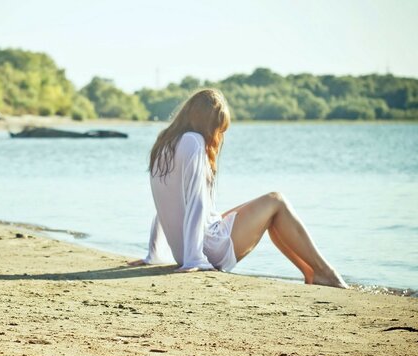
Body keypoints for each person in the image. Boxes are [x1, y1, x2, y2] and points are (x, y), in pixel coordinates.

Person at [129, 89, 348, 288]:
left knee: (270, 212)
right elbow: (196, 203)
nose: (219, 137)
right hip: (207, 249)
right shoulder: (193, 141)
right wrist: (194, 259)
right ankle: (326, 272)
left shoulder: (165, 143)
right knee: (276, 201)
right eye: (219, 129)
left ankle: (312, 274)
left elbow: (166, 203)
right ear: (208, 124)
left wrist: (154, 254)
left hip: (186, 250)